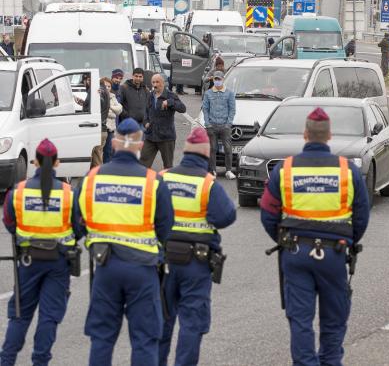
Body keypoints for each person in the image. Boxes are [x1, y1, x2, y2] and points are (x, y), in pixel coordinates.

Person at [260, 107, 370, 366]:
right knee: (334, 319)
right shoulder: (347, 170)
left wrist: (283, 240)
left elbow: (267, 212)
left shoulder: (285, 169)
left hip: (295, 253)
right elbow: (362, 215)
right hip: (334, 254)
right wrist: (348, 240)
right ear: (329, 135)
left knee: (300, 320)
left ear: (305, 134)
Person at [75, 118, 174, 364]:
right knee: (144, 338)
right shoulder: (152, 181)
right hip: (142, 270)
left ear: (115, 144)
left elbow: (77, 223)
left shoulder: (92, 179)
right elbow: (166, 228)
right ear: (140, 145)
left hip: (105, 266)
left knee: (102, 337)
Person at [158, 127, 237, 366]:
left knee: (161, 322)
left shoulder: (164, 176)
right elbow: (226, 216)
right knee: (192, 324)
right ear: (206, 154)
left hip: (163, 262)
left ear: (184, 152)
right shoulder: (207, 183)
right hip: (196, 263)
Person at [0, 139, 80, 366]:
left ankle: (6, 361)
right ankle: (40, 361)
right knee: (49, 316)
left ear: (35, 162)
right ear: (57, 163)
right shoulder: (68, 193)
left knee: (20, 315)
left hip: (27, 260)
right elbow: (79, 226)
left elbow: (9, 222)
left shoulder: (18, 191)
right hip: (58, 262)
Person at [140, 74, 186, 170]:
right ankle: (143, 183)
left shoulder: (170, 95)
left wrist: (170, 102)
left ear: (163, 83)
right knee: (142, 163)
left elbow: (183, 109)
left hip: (166, 137)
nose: (155, 84)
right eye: (153, 82)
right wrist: (146, 122)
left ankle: (166, 184)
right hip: (150, 136)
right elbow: (146, 112)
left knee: (168, 166)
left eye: (157, 82)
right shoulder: (150, 95)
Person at [202, 70, 237, 179]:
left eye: (219, 79)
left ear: (223, 80)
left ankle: (229, 170)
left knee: (228, 148)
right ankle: (213, 170)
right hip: (212, 125)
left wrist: (228, 123)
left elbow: (232, 109)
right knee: (212, 149)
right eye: (215, 79)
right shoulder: (208, 93)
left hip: (225, 126)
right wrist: (207, 124)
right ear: (213, 79)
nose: (217, 81)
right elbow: (205, 109)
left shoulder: (229, 93)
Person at [86, 74, 111, 169]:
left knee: (96, 160)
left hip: (98, 129)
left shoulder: (98, 91)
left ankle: (99, 180)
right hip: (101, 129)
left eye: (88, 80)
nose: (87, 82)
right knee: (95, 158)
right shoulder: (103, 90)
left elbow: (97, 105)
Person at [101, 77, 123, 164]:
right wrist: (112, 112)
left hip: (111, 129)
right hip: (102, 129)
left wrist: (109, 107)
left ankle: (107, 170)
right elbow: (103, 113)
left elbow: (119, 110)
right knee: (99, 152)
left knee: (108, 151)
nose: (107, 88)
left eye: (109, 86)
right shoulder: (98, 96)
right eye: (105, 86)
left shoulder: (113, 96)